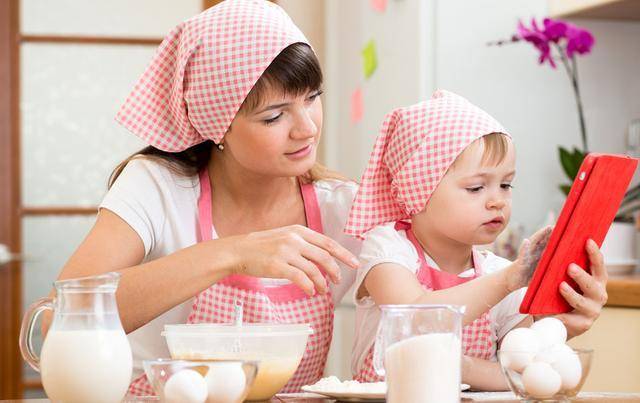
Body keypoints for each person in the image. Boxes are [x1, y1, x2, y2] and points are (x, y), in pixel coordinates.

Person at [48, 0, 361, 396]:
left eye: (313, 98)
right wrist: (232, 253)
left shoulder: (342, 208)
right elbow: (63, 316)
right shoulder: (158, 186)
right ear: (218, 126)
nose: (307, 128)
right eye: (274, 116)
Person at [344, 90, 609, 390]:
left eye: (506, 184)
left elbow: (519, 371)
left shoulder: (500, 273)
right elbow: (416, 319)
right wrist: (508, 280)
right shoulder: (387, 249)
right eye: (476, 188)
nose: (497, 201)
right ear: (418, 189)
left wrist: (462, 367)